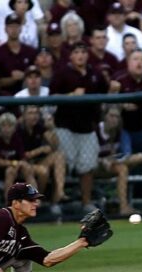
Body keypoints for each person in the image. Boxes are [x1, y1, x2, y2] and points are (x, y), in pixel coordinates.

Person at [50, 41, 108, 212]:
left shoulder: (94, 73)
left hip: (88, 127)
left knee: (87, 167)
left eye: (83, 51)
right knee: (63, 165)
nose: (80, 55)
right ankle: (56, 202)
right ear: (71, 55)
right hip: (65, 126)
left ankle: (86, 202)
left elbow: (105, 93)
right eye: (77, 52)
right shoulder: (63, 73)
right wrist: (70, 95)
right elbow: (51, 96)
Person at [95, 105, 142, 215]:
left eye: (117, 117)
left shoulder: (118, 132)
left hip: (110, 165)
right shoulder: (96, 130)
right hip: (94, 167)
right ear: (105, 117)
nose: (114, 119)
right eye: (111, 116)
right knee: (121, 165)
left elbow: (115, 154)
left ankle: (123, 207)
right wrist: (103, 161)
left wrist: (111, 160)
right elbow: (88, 157)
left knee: (135, 160)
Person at [0, 112, 38, 201]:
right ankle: (9, 203)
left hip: (16, 168)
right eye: (4, 126)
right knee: (10, 171)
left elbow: (22, 157)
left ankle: (34, 198)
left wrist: (20, 164)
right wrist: (15, 163)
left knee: (27, 168)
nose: (7, 129)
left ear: (14, 128)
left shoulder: (17, 138)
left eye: (10, 126)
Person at [0, 12, 38, 94]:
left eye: (16, 26)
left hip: (29, 95)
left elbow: (38, 76)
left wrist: (24, 76)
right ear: (5, 29)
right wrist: (12, 79)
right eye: (10, 27)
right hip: (6, 97)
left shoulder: (31, 52)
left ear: (21, 29)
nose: (14, 30)